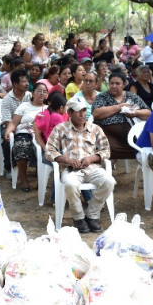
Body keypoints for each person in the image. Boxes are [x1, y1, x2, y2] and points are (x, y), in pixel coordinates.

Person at [44, 97, 115, 234]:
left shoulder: (95, 129)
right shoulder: (60, 129)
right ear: (69, 112)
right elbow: (49, 150)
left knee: (109, 182)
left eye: (84, 110)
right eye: (78, 111)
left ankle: (92, 215)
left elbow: (106, 150)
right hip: (70, 170)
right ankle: (78, 217)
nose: (82, 114)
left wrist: (92, 158)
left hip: (92, 168)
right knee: (70, 184)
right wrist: (67, 160)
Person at [92, 72, 151, 160]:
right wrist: (118, 107)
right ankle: (109, 164)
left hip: (131, 133)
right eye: (111, 83)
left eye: (117, 83)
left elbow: (149, 113)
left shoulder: (132, 96)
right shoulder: (102, 97)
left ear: (124, 84)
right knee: (107, 148)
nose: (114, 86)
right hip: (108, 132)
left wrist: (136, 112)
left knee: (143, 147)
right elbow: (96, 113)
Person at [4, 81, 49, 192]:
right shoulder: (24, 106)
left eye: (44, 92)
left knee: (45, 150)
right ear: (33, 93)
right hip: (25, 132)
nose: (42, 94)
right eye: (39, 91)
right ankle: (23, 179)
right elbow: (14, 122)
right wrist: (8, 131)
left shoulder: (49, 108)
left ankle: (42, 180)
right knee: (21, 146)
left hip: (42, 135)